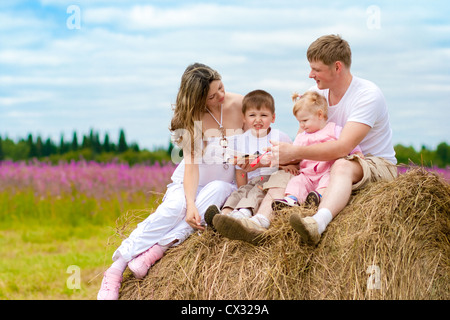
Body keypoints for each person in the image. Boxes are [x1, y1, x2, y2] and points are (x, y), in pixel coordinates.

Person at [97, 63, 245, 300]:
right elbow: (191, 167)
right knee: (177, 208)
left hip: (226, 186)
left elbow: (260, 136)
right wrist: (190, 202)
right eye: (211, 96)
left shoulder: (240, 104)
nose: (221, 96)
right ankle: (116, 269)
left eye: (221, 87)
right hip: (191, 181)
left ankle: (157, 250)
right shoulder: (191, 119)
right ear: (197, 100)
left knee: (213, 197)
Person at [267, 34, 398, 245]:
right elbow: (303, 140)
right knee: (287, 172)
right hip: (325, 162)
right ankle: (260, 222)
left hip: (374, 163)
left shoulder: (368, 95)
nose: (310, 75)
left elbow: (343, 147)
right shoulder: (314, 94)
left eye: (316, 69)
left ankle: (318, 222)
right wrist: (283, 159)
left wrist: (296, 153)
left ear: (337, 67)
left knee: (342, 165)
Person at [204, 89, 294, 234]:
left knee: (255, 193)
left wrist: (290, 165)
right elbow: (240, 170)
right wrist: (242, 188)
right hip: (251, 180)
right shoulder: (242, 139)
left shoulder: (279, 136)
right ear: (244, 118)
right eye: (252, 115)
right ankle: (222, 217)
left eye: (263, 115)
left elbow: (292, 157)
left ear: (273, 117)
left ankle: (243, 214)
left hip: (269, 179)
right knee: (238, 194)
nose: (258, 119)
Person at [272, 91, 362, 209]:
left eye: (304, 120)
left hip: (327, 171)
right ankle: (291, 199)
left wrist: (357, 152)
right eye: (299, 122)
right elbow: (293, 154)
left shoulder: (334, 129)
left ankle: (318, 197)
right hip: (307, 174)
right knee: (297, 182)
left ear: (320, 115)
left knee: (328, 181)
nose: (302, 125)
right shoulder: (301, 136)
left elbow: (349, 144)